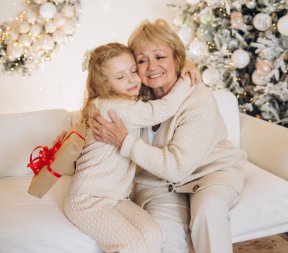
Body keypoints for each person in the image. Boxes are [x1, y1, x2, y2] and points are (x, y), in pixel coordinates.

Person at [92, 19, 247, 253]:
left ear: (177, 59)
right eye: (142, 60)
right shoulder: (137, 94)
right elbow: (104, 93)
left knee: (208, 213)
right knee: (163, 236)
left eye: (160, 57)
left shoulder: (198, 101)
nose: (151, 66)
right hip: (158, 182)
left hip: (210, 173)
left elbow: (177, 168)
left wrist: (125, 142)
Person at [63, 42, 195, 253]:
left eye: (134, 71)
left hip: (116, 197)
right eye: (120, 77)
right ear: (104, 83)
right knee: (131, 245)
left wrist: (183, 62)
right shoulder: (112, 106)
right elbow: (163, 109)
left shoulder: (125, 101)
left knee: (153, 233)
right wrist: (188, 78)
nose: (132, 79)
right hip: (87, 199)